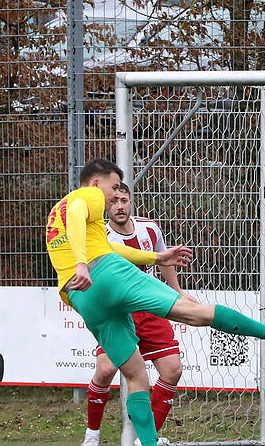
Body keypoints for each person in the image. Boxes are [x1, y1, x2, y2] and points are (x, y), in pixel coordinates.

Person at [46, 158, 265, 446]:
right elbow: (81, 215)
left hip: (82, 297)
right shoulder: (84, 198)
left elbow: (106, 244)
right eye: (113, 187)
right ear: (94, 183)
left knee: (136, 376)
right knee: (194, 313)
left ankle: (147, 443)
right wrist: (82, 264)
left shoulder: (56, 214)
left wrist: (156, 258)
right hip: (104, 273)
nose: (115, 195)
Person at [83, 183, 197, 446]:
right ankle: (92, 435)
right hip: (118, 311)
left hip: (151, 308)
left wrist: (177, 292)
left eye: (123, 200)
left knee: (172, 369)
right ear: (105, 207)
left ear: (131, 202)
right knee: (105, 369)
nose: (119, 206)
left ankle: (148, 438)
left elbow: (164, 260)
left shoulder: (150, 228)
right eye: (113, 202)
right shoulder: (101, 237)